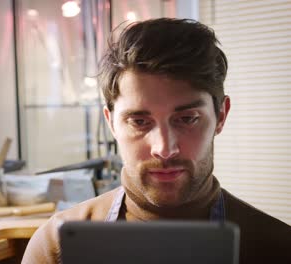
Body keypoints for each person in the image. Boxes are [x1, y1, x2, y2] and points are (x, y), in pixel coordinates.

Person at [21, 18, 291, 264]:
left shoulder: (277, 248)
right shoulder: (56, 248)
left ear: (221, 116)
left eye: (187, 119)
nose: (164, 148)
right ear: (111, 122)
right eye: (139, 121)